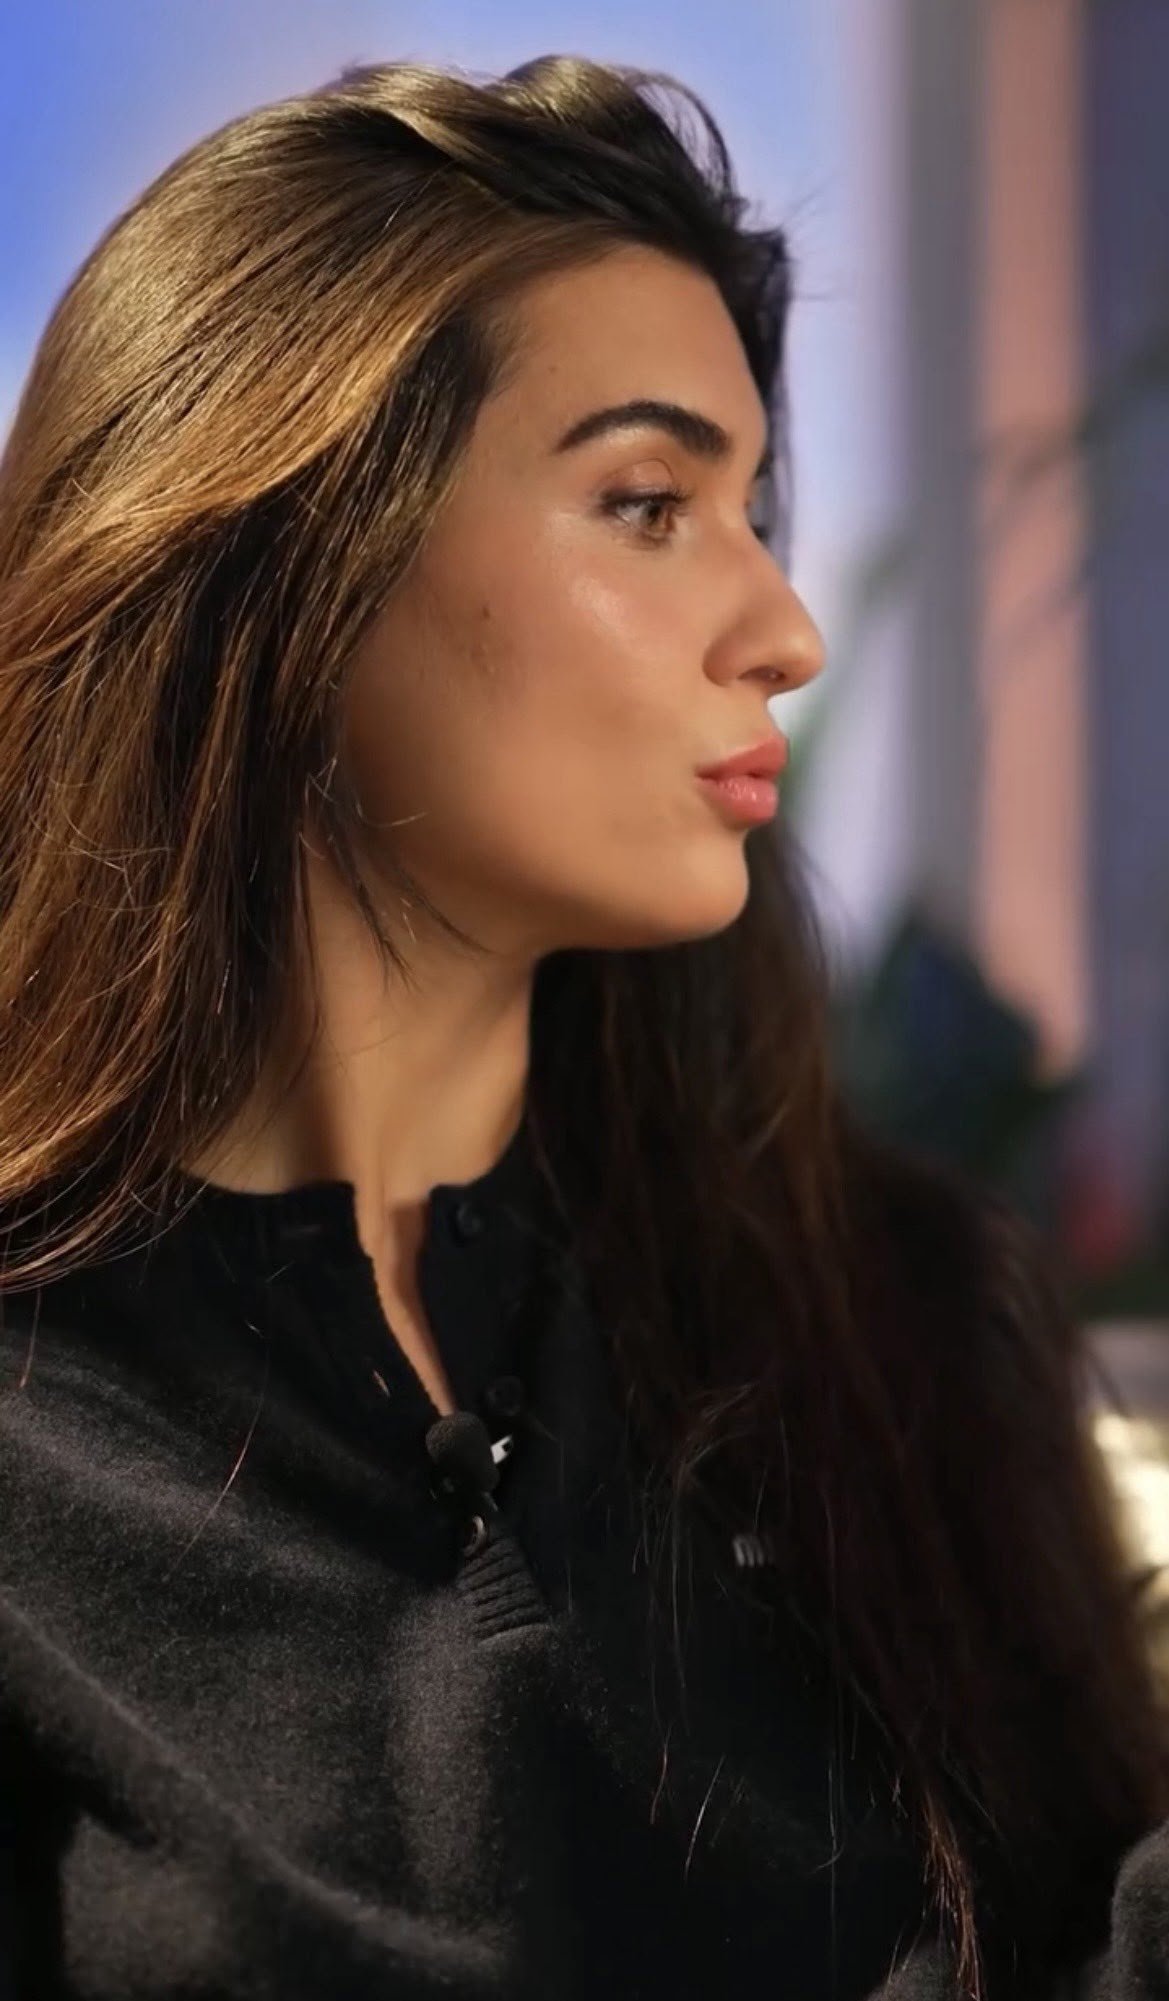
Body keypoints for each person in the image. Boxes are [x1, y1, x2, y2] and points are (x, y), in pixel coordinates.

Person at [0, 52, 1164, 2001]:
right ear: (287, 559)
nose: (784, 630)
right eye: (645, 503)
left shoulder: (896, 1326)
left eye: (748, 504)